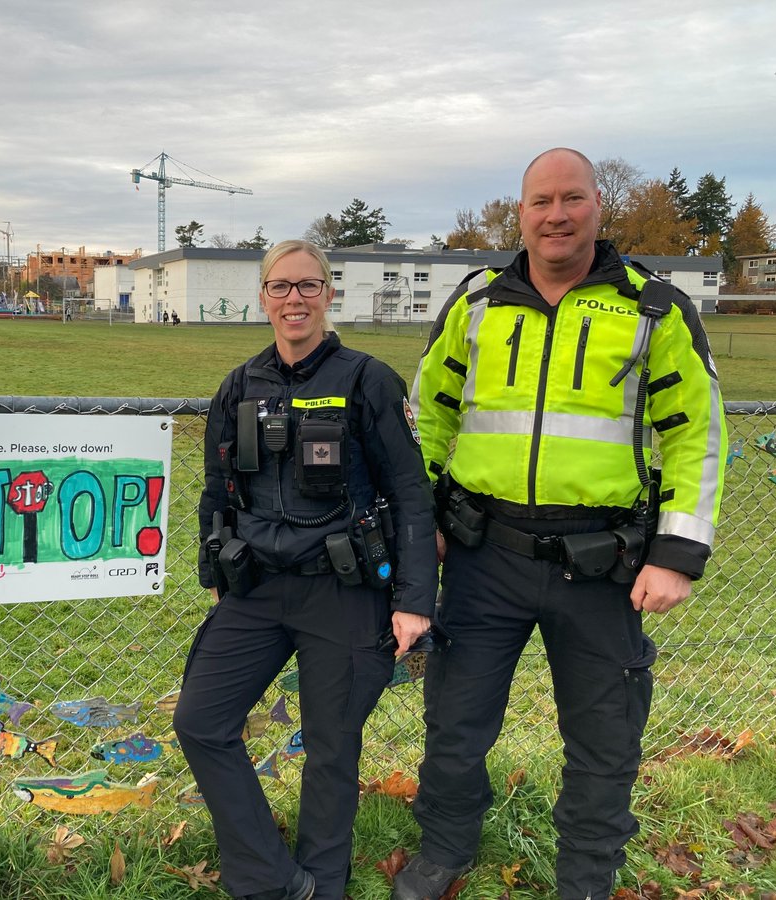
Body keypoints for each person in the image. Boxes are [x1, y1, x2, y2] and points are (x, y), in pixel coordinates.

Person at [395, 148, 726, 900]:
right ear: (521, 213)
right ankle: (445, 847)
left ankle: (586, 874)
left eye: (571, 198)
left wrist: (676, 552)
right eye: (541, 201)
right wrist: (425, 525)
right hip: (483, 555)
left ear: (598, 208)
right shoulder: (477, 302)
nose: (556, 215)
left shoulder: (654, 308)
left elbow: (696, 434)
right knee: (454, 725)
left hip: (603, 565)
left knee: (605, 739)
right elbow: (427, 420)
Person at [173, 239, 438, 900]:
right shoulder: (239, 384)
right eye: (281, 287)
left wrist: (414, 600)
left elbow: (410, 494)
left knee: (330, 749)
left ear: (328, 294)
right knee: (200, 721)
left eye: (308, 286)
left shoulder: (367, 379)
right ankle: (274, 880)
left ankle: (325, 885)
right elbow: (216, 489)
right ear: (264, 297)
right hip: (257, 588)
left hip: (342, 592)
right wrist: (216, 574)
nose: (295, 299)